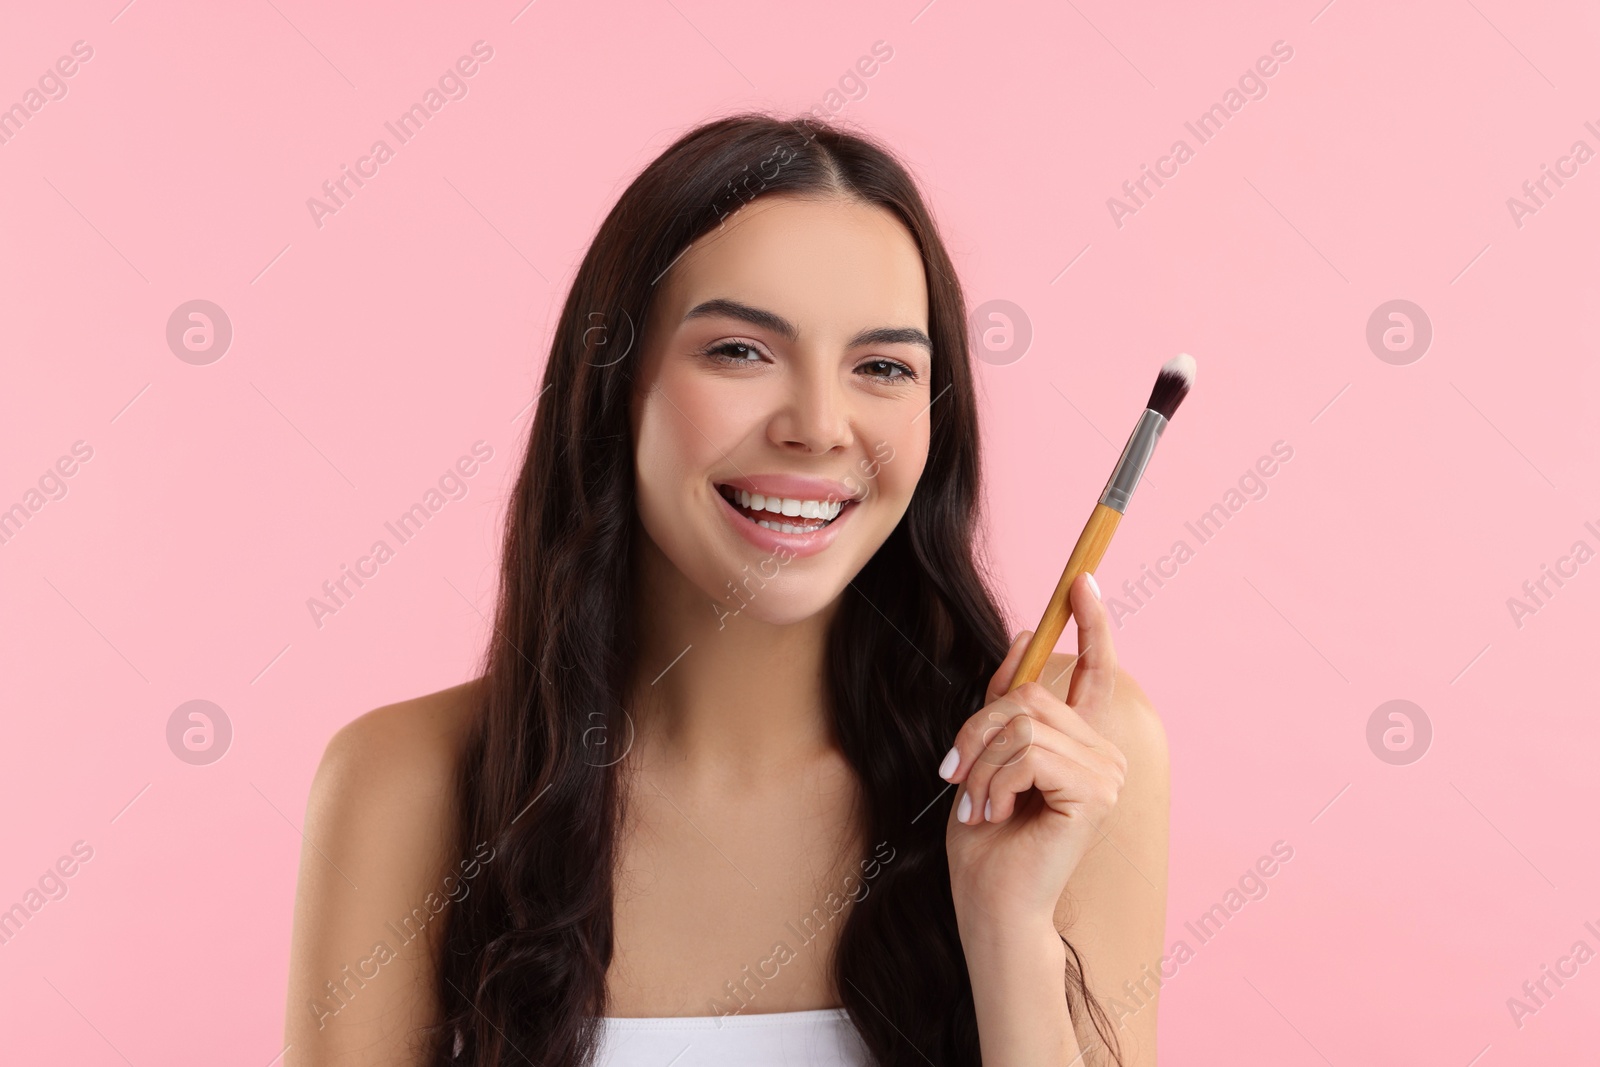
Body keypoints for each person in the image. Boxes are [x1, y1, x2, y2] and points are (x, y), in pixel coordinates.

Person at [283, 112, 1169, 1067]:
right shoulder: (405, 785)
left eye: (882, 367)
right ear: (614, 385)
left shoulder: (1066, 762)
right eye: (741, 351)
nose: (821, 426)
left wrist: (1009, 929)